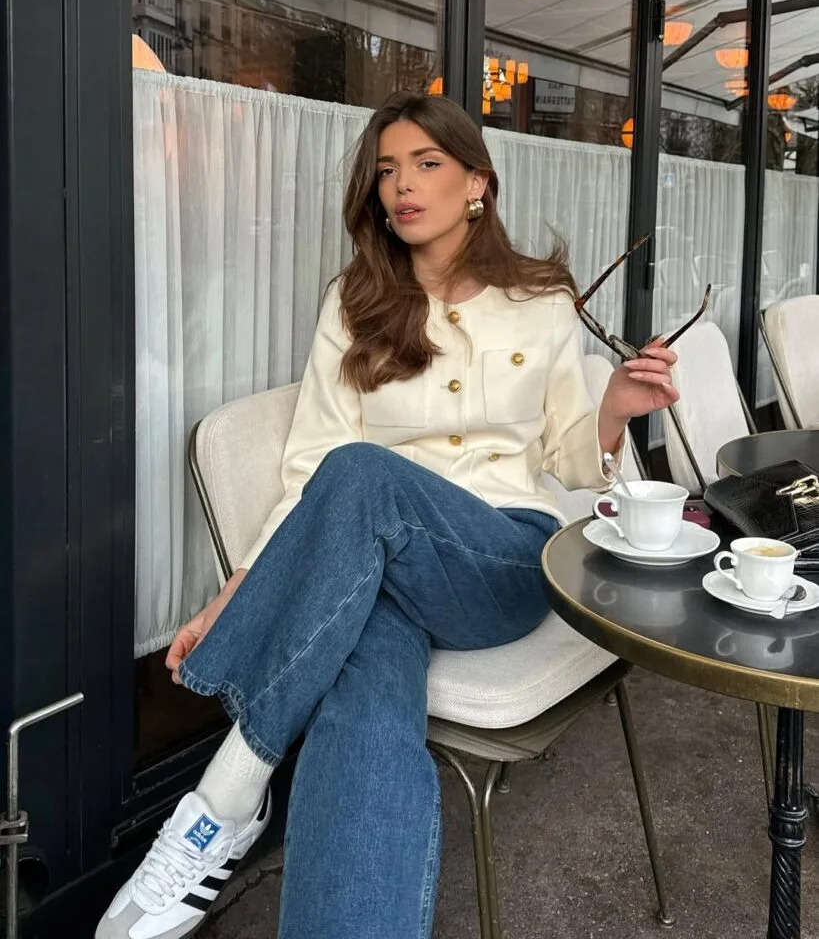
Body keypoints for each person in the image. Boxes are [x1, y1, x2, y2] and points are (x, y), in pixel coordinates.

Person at [97, 91, 678, 939]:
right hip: (372, 569)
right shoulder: (354, 303)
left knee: (364, 473)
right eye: (384, 170)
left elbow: (564, 461)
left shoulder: (542, 298)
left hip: (500, 561)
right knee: (363, 696)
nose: (401, 186)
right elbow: (308, 472)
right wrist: (242, 586)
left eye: (426, 164)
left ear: (476, 181)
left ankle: (225, 794)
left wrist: (615, 410)